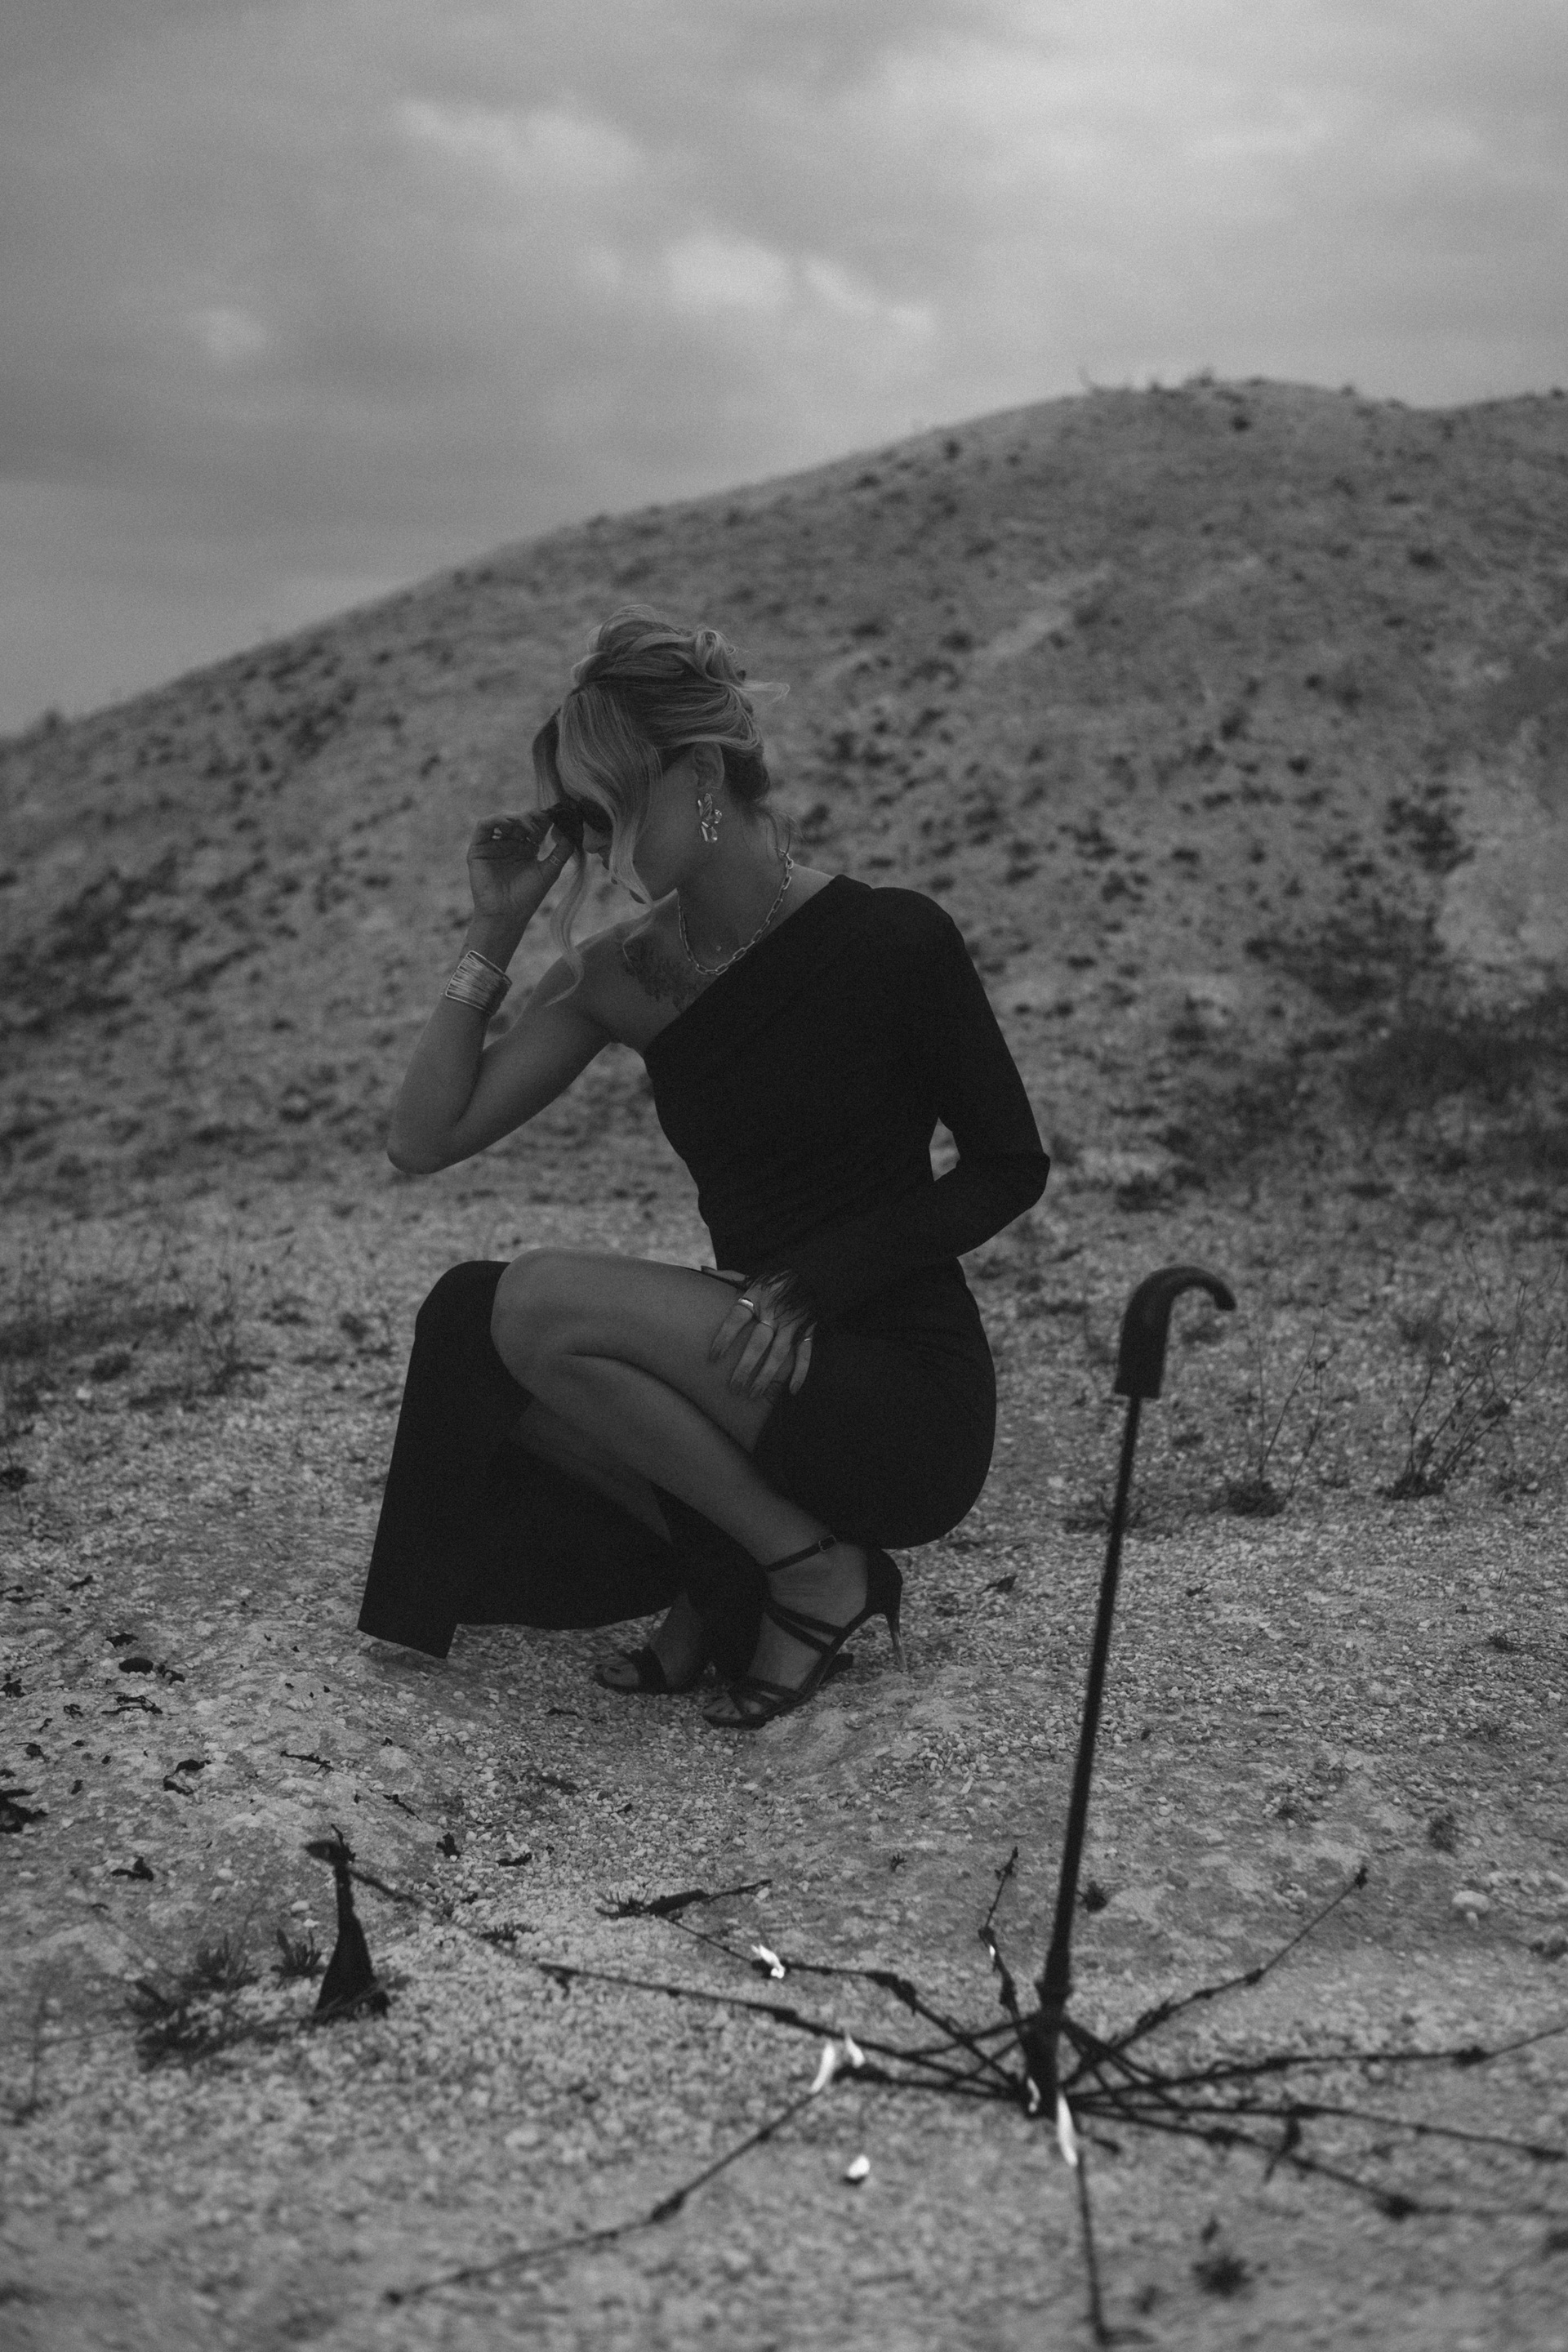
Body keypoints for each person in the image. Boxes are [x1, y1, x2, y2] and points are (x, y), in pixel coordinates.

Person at [358, 608, 1049, 1731]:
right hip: (751, 1363)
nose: (594, 843)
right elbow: (421, 1139)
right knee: (469, 1317)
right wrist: (494, 931)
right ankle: (740, 1563)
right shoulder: (622, 975)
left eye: (610, 807)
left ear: (703, 775)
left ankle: (811, 1572)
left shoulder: (893, 940)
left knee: (532, 1301)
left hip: (894, 1388)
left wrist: (814, 1280)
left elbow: (1008, 1166)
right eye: (578, 817)